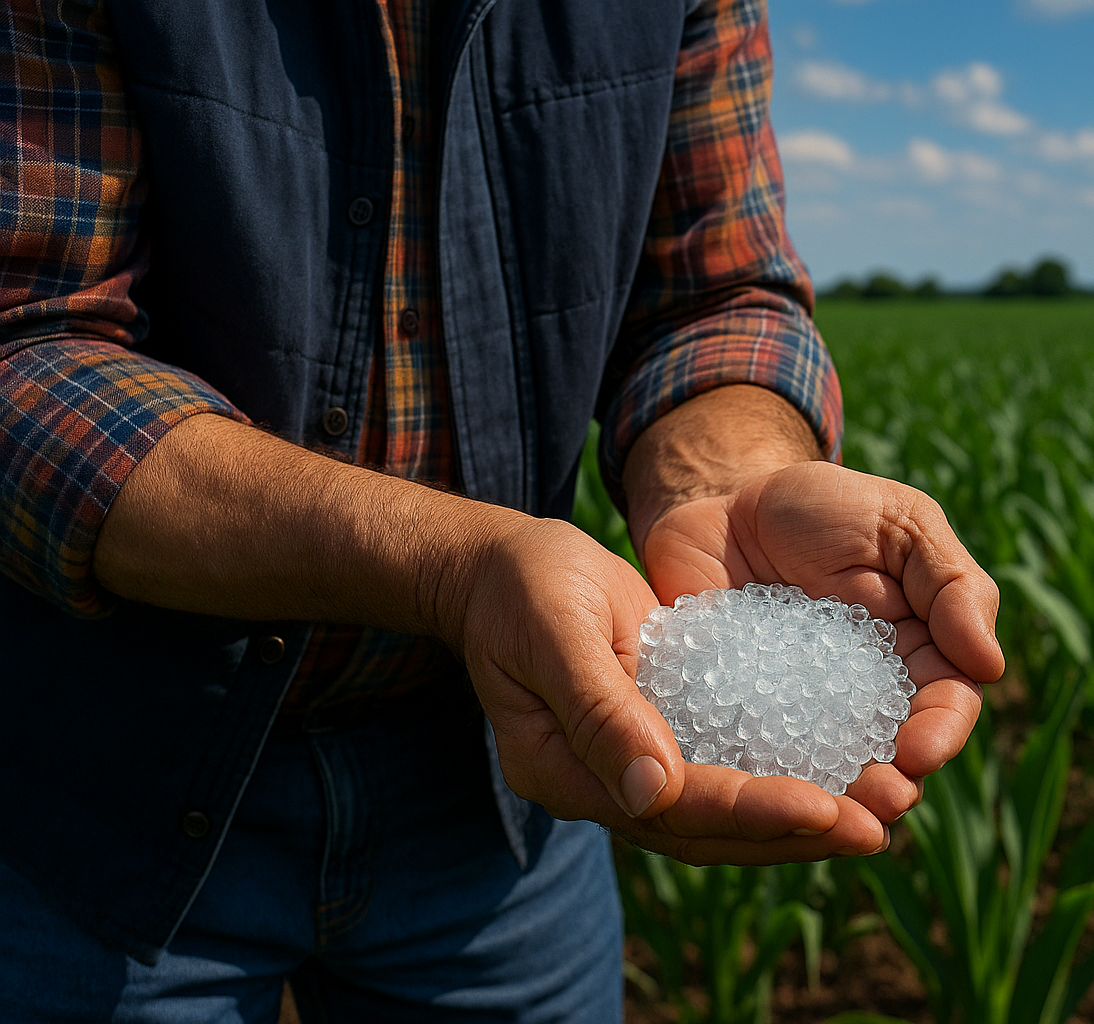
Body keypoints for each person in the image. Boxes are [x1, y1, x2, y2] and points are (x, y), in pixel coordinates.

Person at [0, 0, 1004, 1020]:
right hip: (98, 778)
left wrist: (729, 487)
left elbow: (713, 291)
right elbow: (25, 348)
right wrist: (455, 567)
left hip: (501, 782)